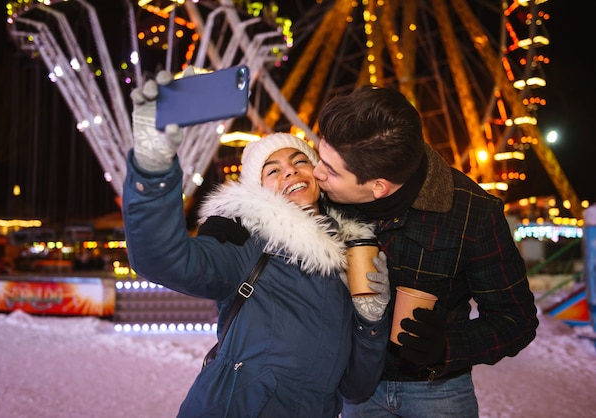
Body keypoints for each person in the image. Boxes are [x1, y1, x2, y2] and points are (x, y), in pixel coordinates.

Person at [121, 70, 392, 418]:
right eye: (273, 170)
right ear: (258, 190)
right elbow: (161, 260)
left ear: (318, 175)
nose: (291, 172)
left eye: (300, 162)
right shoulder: (246, 243)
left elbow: (356, 387)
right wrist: (152, 171)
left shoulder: (352, 254)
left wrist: (371, 319)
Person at [312, 85, 539, 417]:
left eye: (331, 170)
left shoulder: (473, 212)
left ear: (379, 187)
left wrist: (447, 345)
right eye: (320, 157)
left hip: (439, 390)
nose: (317, 172)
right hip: (356, 385)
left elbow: (516, 319)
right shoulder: (324, 202)